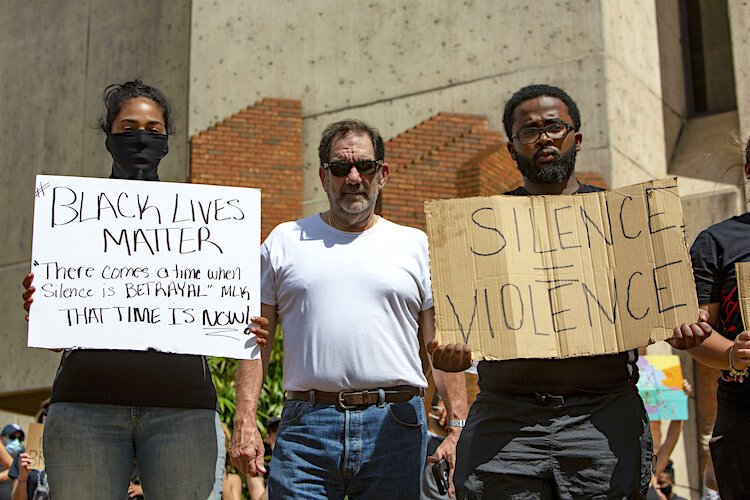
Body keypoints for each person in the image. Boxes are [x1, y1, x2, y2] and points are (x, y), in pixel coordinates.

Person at [428, 84, 713, 499]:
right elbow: (458, 325)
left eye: (554, 127)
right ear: (511, 149)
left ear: (575, 138)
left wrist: (678, 328)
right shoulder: (479, 230)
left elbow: (658, 314)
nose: (543, 137)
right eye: (529, 131)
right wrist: (452, 354)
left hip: (603, 418)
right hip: (506, 421)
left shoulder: (624, 221)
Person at [21, 80, 269, 500]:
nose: (141, 136)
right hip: (86, 408)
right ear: (109, 137)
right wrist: (44, 310)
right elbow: (59, 339)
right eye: (129, 126)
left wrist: (242, 325)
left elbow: (238, 324)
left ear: (167, 141)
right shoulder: (71, 216)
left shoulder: (208, 222)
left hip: (184, 413)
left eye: (154, 129)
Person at [230, 119, 468, 499]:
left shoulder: (415, 245)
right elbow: (253, 339)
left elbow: (440, 346)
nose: (353, 177)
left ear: (383, 173)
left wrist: (457, 424)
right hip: (306, 428)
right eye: (341, 168)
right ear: (324, 177)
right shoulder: (284, 241)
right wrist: (245, 419)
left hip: (395, 425)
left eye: (365, 166)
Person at [685, 133, 750, 498]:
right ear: (748, 171)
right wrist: (731, 353)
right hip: (744, 415)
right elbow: (696, 333)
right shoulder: (717, 242)